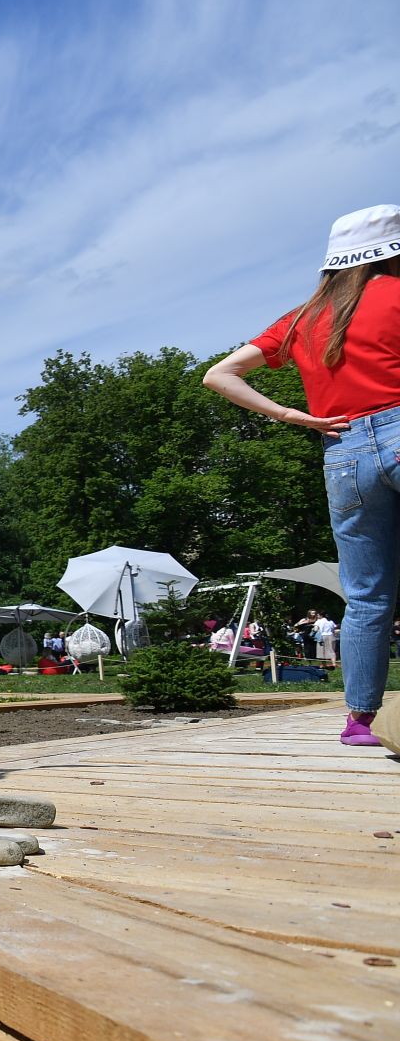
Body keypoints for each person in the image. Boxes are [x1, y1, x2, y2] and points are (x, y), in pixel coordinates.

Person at [204, 204, 400, 747]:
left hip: (341, 451)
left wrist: (294, 416)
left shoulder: (301, 318)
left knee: (365, 597)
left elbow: (219, 374)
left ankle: (360, 721)